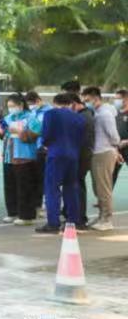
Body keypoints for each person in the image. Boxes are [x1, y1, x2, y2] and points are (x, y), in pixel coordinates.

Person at [36, 93, 86, 234]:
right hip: (73, 155)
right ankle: (72, 221)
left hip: (56, 154)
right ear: (70, 103)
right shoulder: (79, 118)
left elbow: (46, 135)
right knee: (71, 188)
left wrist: (46, 145)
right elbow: (81, 138)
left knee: (52, 188)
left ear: (55, 103)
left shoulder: (50, 114)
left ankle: (53, 223)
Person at [0, 94, 39, 225]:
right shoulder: (7, 118)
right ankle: (12, 212)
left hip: (24, 156)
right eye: (9, 106)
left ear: (21, 105)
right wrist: (0, 130)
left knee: (24, 186)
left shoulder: (31, 118)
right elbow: (1, 131)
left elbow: (36, 133)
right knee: (10, 185)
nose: (11, 109)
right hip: (8, 156)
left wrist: (20, 132)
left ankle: (26, 216)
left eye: (13, 106)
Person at [84, 86, 119, 231]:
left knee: (103, 188)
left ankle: (107, 219)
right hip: (97, 153)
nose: (86, 102)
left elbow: (114, 136)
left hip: (104, 153)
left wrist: (115, 148)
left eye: (88, 100)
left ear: (96, 98)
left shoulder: (105, 114)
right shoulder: (96, 112)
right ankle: (101, 216)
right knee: (97, 187)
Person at [67, 89, 95, 231]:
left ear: (73, 104)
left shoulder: (82, 117)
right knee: (78, 185)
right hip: (83, 154)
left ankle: (79, 219)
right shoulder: (86, 115)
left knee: (77, 186)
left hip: (80, 156)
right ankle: (78, 217)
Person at [23, 91, 52, 215]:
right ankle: (37, 204)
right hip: (33, 149)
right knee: (35, 178)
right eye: (29, 104)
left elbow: (43, 129)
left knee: (45, 177)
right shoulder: (31, 113)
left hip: (44, 148)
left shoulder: (49, 112)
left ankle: (47, 204)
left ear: (39, 100)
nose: (31, 106)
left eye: (32, 103)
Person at [115, 89, 128, 188]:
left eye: (118, 99)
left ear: (126, 99)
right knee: (111, 175)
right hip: (117, 149)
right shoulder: (115, 114)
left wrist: (126, 142)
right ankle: (106, 196)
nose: (116, 101)